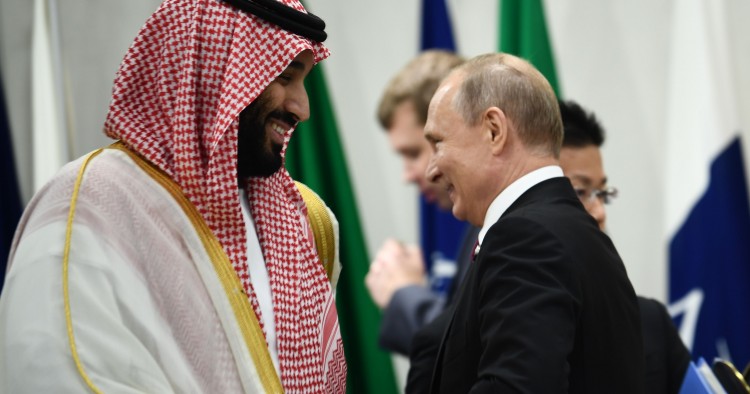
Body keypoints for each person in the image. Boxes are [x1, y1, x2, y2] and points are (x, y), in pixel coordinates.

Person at [0, 0, 347, 392]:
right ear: (212, 70)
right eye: (285, 76)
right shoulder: (89, 206)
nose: (302, 108)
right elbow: (54, 373)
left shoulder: (304, 219)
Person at [423, 53, 644, 392]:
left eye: (438, 143)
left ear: (494, 130)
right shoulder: (576, 233)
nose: (432, 170)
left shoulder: (525, 238)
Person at [558, 99, 691, 394]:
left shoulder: (651, 322)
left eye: (602, 193)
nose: (600, 211)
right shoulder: (515, 327)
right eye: (580, 191)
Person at [363, 50, 479, 356]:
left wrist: (405, 294)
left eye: (413, 153)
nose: (408, 175)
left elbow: (471, 356)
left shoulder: (514, 224)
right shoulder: (478, 227)